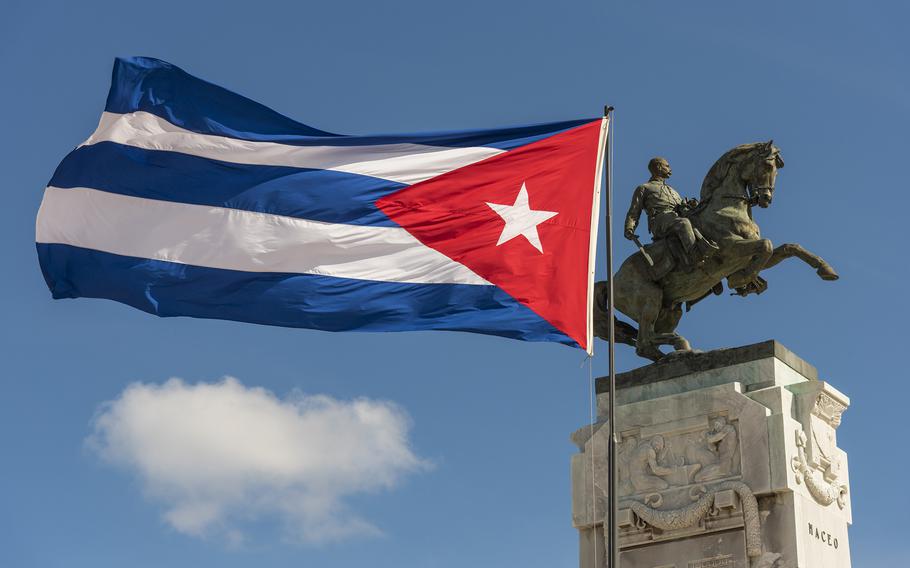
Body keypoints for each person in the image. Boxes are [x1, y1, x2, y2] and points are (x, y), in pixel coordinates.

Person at [624, 157, 718, 270]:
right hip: (660, 220)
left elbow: (680, 206)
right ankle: (694, 255)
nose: (670, 169)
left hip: (675, 216)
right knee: (683, 223)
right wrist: (629, 228)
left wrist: (689, 204)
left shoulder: (672, 190)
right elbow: (634, 210)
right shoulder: (644, 188)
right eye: (667, 166)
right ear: (658, 167)